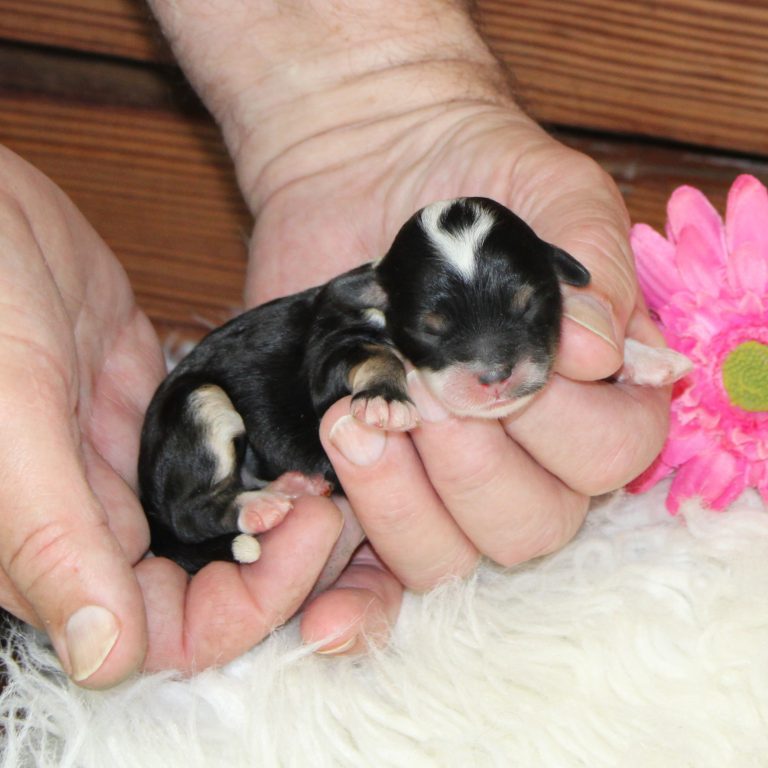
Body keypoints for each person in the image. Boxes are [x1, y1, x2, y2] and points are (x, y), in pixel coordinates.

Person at [0, 0, 670, 688]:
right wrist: (377, 378)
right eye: (439, 334)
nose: (497, 367)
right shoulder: (352, 314)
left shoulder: (465, 303)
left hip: (294, 478)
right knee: (203, 411)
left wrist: (618, 354)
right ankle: (218, 511)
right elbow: (336, 368)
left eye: (531, 310)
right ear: (378, 300)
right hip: (215, 433)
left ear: (558, 273)